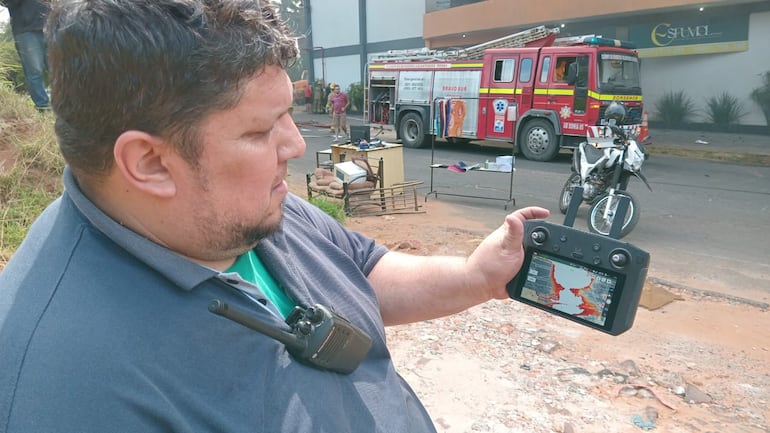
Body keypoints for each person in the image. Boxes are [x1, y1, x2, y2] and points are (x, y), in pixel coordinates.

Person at [0, 1, 549, 432]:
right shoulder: (66, 389)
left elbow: (360, 268)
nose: (293, 144)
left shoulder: (243, 206)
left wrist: (476, 277)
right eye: (261, 130)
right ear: (149, 163)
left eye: (287, 114)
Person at [0, 0, 51, 110]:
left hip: (49, 26)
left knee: (58, 70)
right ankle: (43, 106)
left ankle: (65, 104)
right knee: (34, 71)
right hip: (26, 31)